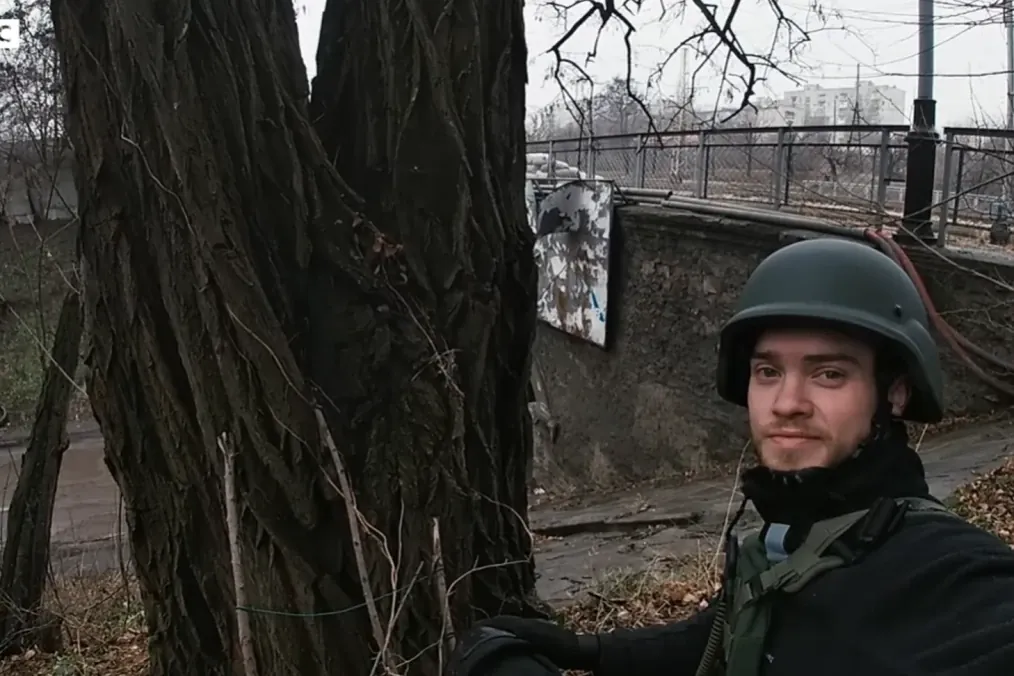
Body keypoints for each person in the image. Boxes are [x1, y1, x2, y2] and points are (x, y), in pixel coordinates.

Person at [451, 237, 1014, 676]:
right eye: (769, 372)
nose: (788, 404)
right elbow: (743, 627)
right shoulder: (804, 534)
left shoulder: (945, 574)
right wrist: (591, 651)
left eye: (829, 374)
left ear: (893, 392)